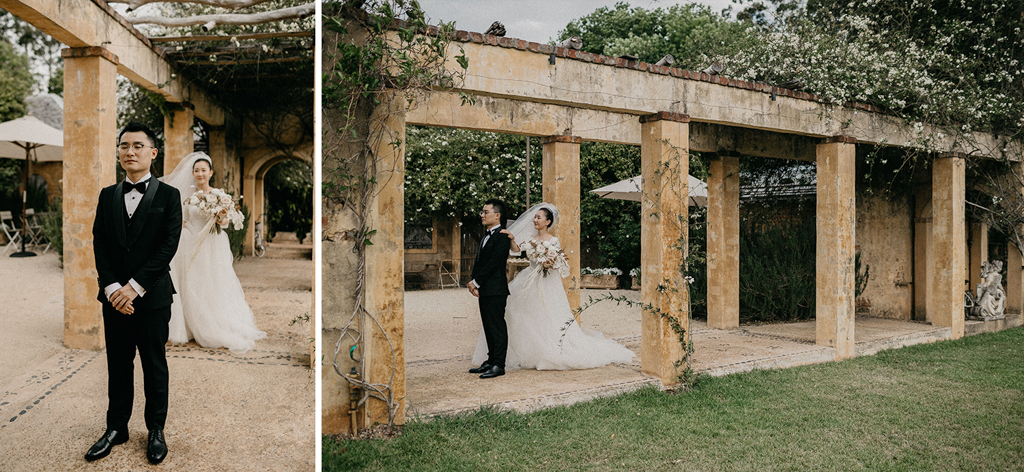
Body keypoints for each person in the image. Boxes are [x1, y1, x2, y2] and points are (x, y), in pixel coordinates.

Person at [88, 121, 181, 464]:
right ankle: (116, 428)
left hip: (152, 297)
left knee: (154, 365)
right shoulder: (107, 194)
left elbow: (167, 246)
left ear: (152, 153)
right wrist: (113, 288)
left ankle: (155, 430)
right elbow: (100, 243)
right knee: (118, 364)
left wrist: (134, 288)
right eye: (124, 145)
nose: (130, 151)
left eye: (138, 145)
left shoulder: (169, 196)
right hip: (114, 299)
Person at [471, 202, 635, 371]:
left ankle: (545, 350)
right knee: (521, 313)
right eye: (535, 217)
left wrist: (549, 262)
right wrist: (512, 239)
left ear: (547, 222)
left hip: (547, 280)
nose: (535, 220)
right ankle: (518, 352)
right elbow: (516, 251)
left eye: (539, 217)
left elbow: (560, 262)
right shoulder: (531, 239)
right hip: (530, 278)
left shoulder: (553, 241)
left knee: (549, 313)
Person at [163, 152, 266, 354]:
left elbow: (226, 221)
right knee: (190, 283)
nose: (200, 173)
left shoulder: (220, 195)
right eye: (196, 170)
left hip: (213, 244)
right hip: (189, 243)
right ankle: (189, 327)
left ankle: (213, 325)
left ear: (210, 172)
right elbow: (182, 221)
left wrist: (220, 219)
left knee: (213, 282)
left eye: (203, 170)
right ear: (192, 173)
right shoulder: (187, 196)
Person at [467, 198, 511, 379]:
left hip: (496, 289)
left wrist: (477, 282)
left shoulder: (502, 236)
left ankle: (499, 365)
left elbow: (494, 263)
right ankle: (491, 360)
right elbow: (480, 262)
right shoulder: (486, 234)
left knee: (497, 326)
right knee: (488, 326)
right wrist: (474, 281)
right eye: (482, 212)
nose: (482, 215)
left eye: (486, 212)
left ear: (497, 215)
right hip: (486, 288)